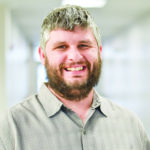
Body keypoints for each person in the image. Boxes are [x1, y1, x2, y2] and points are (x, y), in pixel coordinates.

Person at [0, 5, 150, 150]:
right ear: (43, 56)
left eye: (84, 45)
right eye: (61, 47)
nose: (75, 57)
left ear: (99, 52)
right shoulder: (12, 127)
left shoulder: (131, 125)